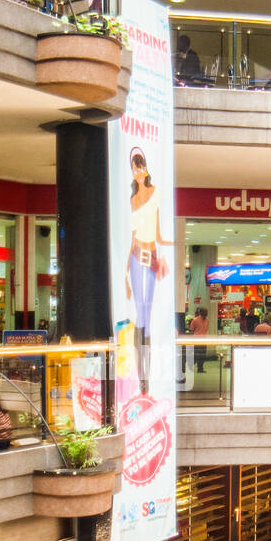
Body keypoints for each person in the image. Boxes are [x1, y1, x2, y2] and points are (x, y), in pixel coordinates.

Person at [125, 147, 171, 393]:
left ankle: (147, 380)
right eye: (135, 168)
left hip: (151, 255)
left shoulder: (155, 194)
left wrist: (168, 251)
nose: (138, 172)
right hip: (135, 257)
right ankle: (139, 379)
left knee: (147, 315)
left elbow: (159, 234)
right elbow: (132, 238)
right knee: (139, 314)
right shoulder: (132, 200)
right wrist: (124, 274)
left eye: (141, 167)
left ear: (146, 168)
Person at [189, 307, 209, 373]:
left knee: (203, 355)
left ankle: (200, 369)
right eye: (204, 313)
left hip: (204, 340)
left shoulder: (207, 321)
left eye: (206, 313)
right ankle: (190, 366)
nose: (206, 314)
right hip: (196, 341)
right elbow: (191, 330)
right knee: (196, 355)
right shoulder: (195, 320)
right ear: (201, 313)